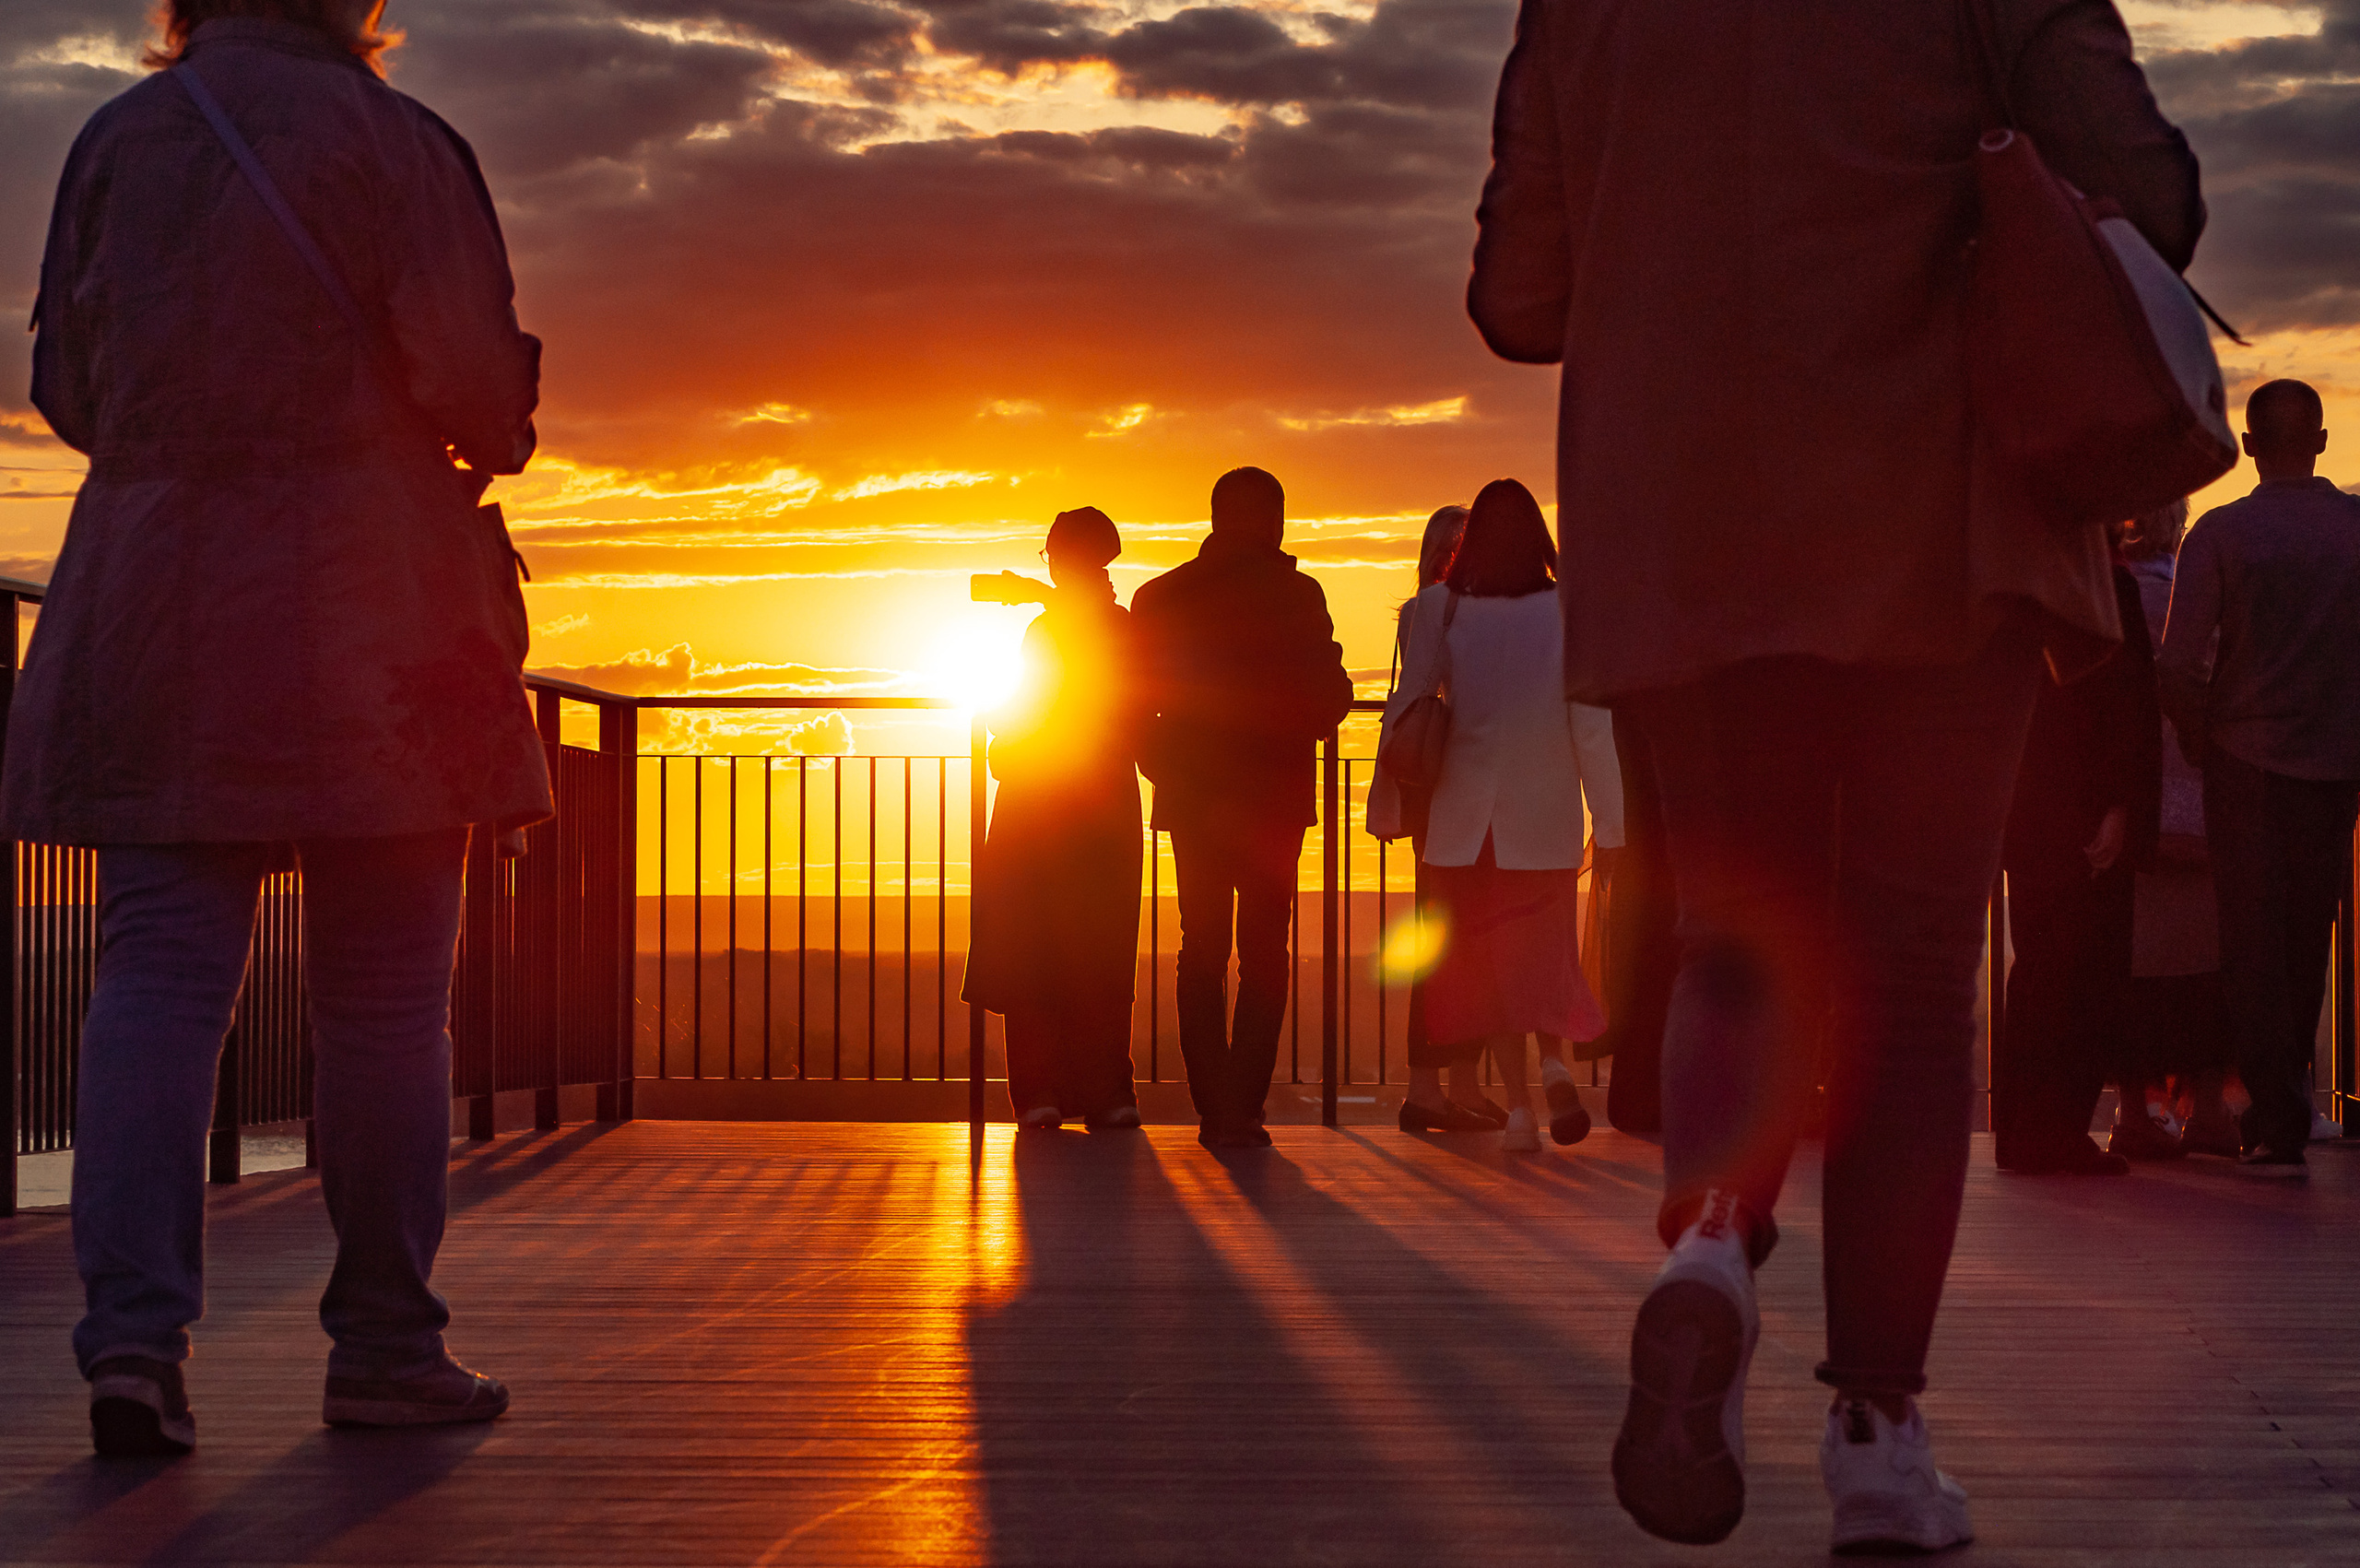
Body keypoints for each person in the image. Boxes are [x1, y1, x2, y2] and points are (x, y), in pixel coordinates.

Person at [1471, 0, 2202, 1550]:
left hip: (1688, 534)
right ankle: (1878, 1437)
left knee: (1738, 932)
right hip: (1937, 525)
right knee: (1917, 970)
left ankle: (1714, 1245)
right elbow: (2157, 195)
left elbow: (1521, 293)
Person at [7, 0, 549, 1456]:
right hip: (381, 615)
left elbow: (69, 383)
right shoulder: (404, 145)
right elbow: (480, 398)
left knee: (159, 982)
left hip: (161, 599)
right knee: (381, 1004)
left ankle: (132, 1342)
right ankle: (383, 1341)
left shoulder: (121, 140)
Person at [2158, 380, 2360, 1178]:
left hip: (2244, 763)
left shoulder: (2218, 534)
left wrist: (2200, 737)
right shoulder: (2355, 531)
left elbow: (2177, 666)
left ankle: (2274, 1114)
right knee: (2309, 936)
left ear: (2248, 446)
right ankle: (2288, 1104)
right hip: (2337, 763)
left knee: (2250, 940)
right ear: (2319, 441)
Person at [1379, 479, 1615, 1152]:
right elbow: (1592, 724)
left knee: (1489, 956)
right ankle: (1553, 1065)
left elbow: (1411, 703)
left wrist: (1391, 802)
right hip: (1544, 816)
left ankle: (1518, 1108)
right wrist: (1613, 820)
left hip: (1465, 819)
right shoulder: (1573, 609)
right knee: (1543, 949)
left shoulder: (1438, 609)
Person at [1132, 468, 1354, 1149]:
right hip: (1273, 798)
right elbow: (1331, 692)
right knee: (1264, 954)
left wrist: (1163, 762)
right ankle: (1243, 1106)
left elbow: (1134, 698)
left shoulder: (1160, 596)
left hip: (1194, 795)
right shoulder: (1297, 594)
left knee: (1199, 950)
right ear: (1274, 520)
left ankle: (1212, 1105)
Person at [963, 508, 1144, 1132]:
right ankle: (1106, 1090)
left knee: (1033, 944)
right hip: (1104, 802)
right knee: (1102, 949)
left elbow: (1020, 717)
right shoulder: (1119, 626)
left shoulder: (1048, 630)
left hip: (1043, 804)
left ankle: (1038, 1090)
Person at [1992, 546, 2161, 1174]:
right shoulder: (2110, 590)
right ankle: (2056, 1128)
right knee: (2087, 971)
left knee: (2039, 967)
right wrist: (2121, 805)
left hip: (2030, 809)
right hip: (2086, 810)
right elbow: (2128, 707)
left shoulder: (2017, 588)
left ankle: (2025, 1128)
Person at [1370, 504, 1509, 1134]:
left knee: (1457, 936)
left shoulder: (1426, 610)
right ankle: (1437, 1085)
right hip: (1460, 788)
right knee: (1456, 937)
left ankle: (1451, 1084)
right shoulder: (1443, 611)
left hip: (1448, 788)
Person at [2118, 501, 2241, 1160]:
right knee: (2205, 964)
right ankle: (2210, 1108)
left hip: (2131, 807)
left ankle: (2135, 1110)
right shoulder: (2196, 595)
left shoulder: (2108, 596)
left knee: (2135, 964)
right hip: (2201, 799)